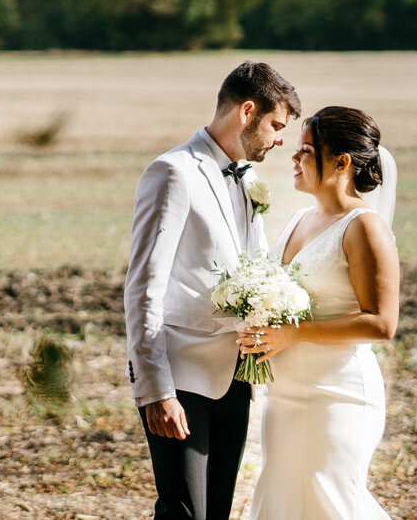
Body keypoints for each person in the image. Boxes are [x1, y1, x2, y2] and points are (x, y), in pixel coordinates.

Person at [125, 60, 301, 520]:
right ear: (247, 111)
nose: (280, 139)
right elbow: (144, 286)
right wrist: (155, 389)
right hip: (180, 376)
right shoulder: (172, 173)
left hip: (237, 379)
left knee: (218, 514)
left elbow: (254, 267)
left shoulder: (250, 181)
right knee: (185, 514)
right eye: (275, 125)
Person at [237, 106, 401, 520]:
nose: (293, 158)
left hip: (336, 396)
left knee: (330, 505)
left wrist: (293, 332)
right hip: (285, 398)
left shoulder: (364, 227)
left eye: (306, 150)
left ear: (342, 162)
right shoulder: (297, 220)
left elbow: (382, 323)